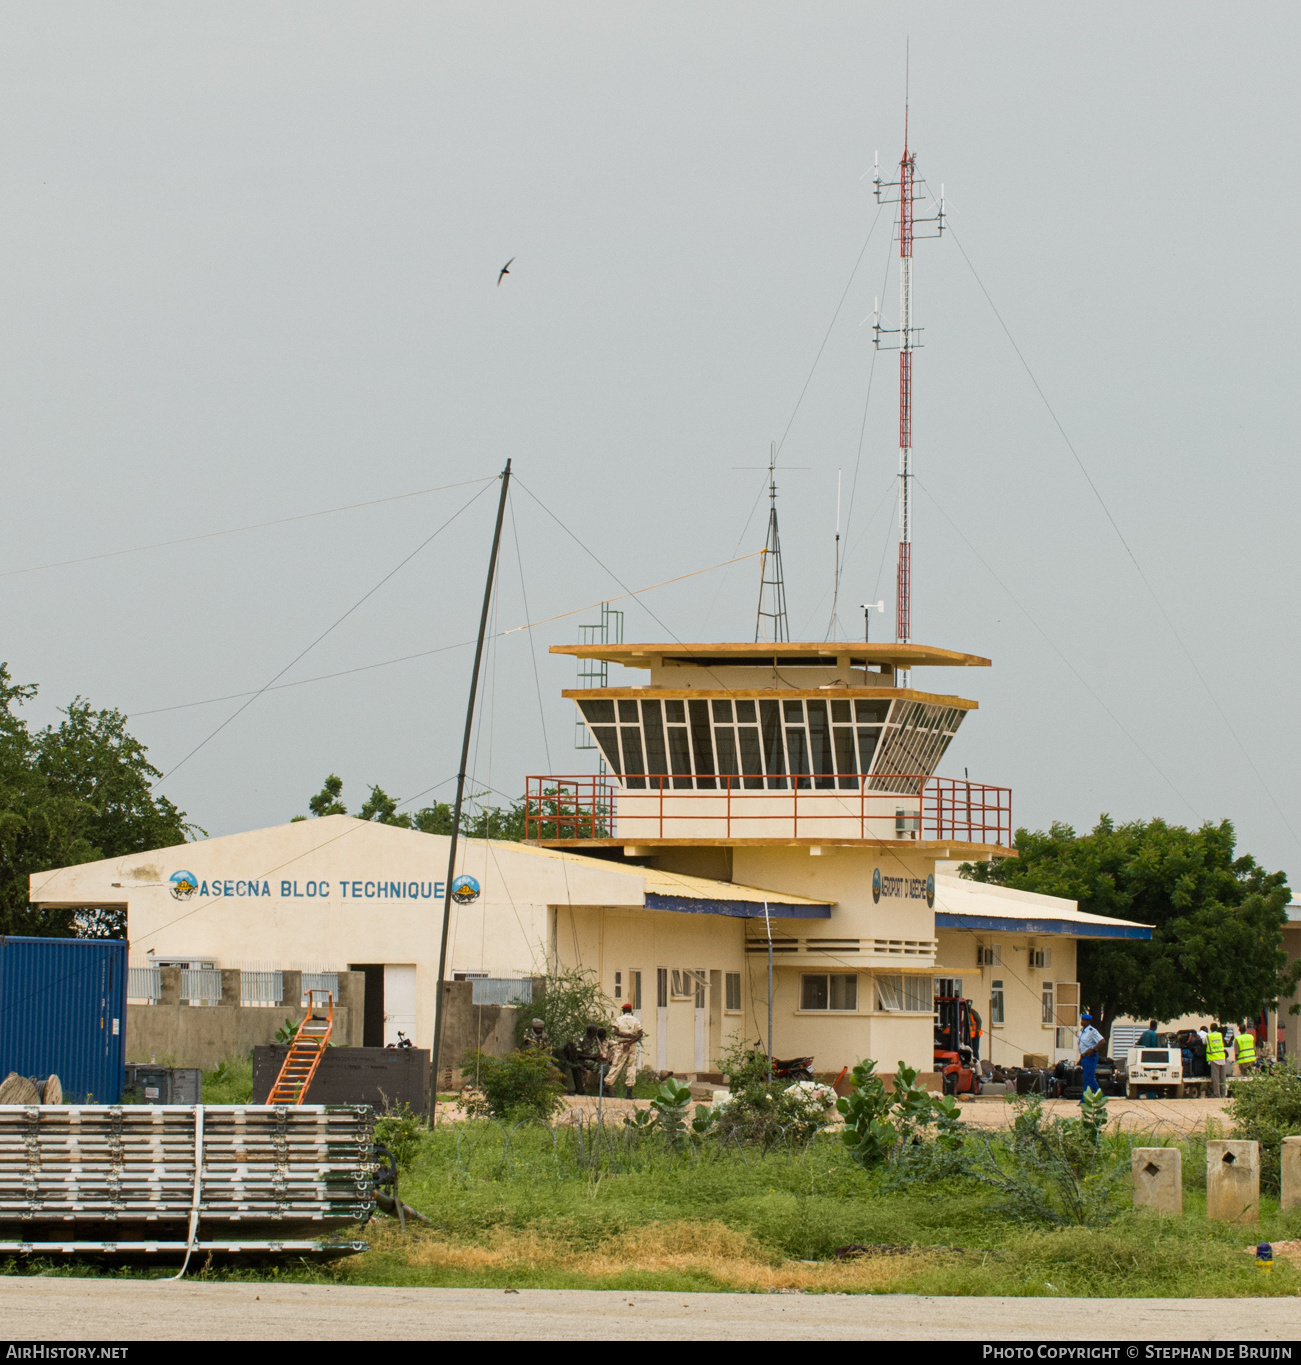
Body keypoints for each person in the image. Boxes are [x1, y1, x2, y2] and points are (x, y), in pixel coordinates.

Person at [607, 1001, 645, 1098]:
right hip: (632, 1046)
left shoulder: (619, 1019)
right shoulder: (636, 1020)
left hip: (621, 1045)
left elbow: (616, 1032)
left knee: (616, 1066)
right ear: (631, 1011)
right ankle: (629, 1094)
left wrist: (625, 1038)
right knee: (631, 1068)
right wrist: (630, 1041)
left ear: (623, 1011)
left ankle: (606, 1089)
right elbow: (640, 1034)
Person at [1077, 1011, 1104, 1099]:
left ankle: (1085, 1100)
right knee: (1090, 1079)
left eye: (1084, 1020)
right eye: (1082, 1020)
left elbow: (1102, 1041)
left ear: (1088, 1022)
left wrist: (1093, 1049)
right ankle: (1101, 1097)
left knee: (1087, 1079)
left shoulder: (1092, 1031)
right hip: (1084, 1057)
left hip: (1090, 1057)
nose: (1082, 1022)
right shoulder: (1082, 1032)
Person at [1206, 1022, 1227, 1097]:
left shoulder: (1208, 1036)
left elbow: (1204, 1042)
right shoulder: (1220, 1035)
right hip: (1222, 1057)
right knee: (1222, 1078)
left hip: (1214, 1058)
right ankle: (1223, 1094)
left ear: (1210, 1029)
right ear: (1217, 1028)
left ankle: (1217, 1094)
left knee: (1215, 1078)